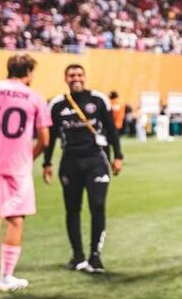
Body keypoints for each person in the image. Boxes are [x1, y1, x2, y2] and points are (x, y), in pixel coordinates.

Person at [44, 64, 124, 273]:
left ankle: (95, 256)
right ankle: (77, 256)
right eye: (72, 75)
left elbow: (112, 130)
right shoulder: (57, 104)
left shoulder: (98, 99)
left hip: (96, 161)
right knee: (72, 209)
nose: (76, 78)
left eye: (79, 74)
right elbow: (51, 137)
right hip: (69, 162)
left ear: (85, 77)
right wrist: (46, 163)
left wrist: (119, 156)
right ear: (66, 78)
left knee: (97, 205)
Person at [0, 53, 51, 292]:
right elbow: (44, 139)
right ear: (29, 72)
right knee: (16, 219)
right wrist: (29, 158)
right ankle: (5, 278)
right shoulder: (34, 97)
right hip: (14, 165)